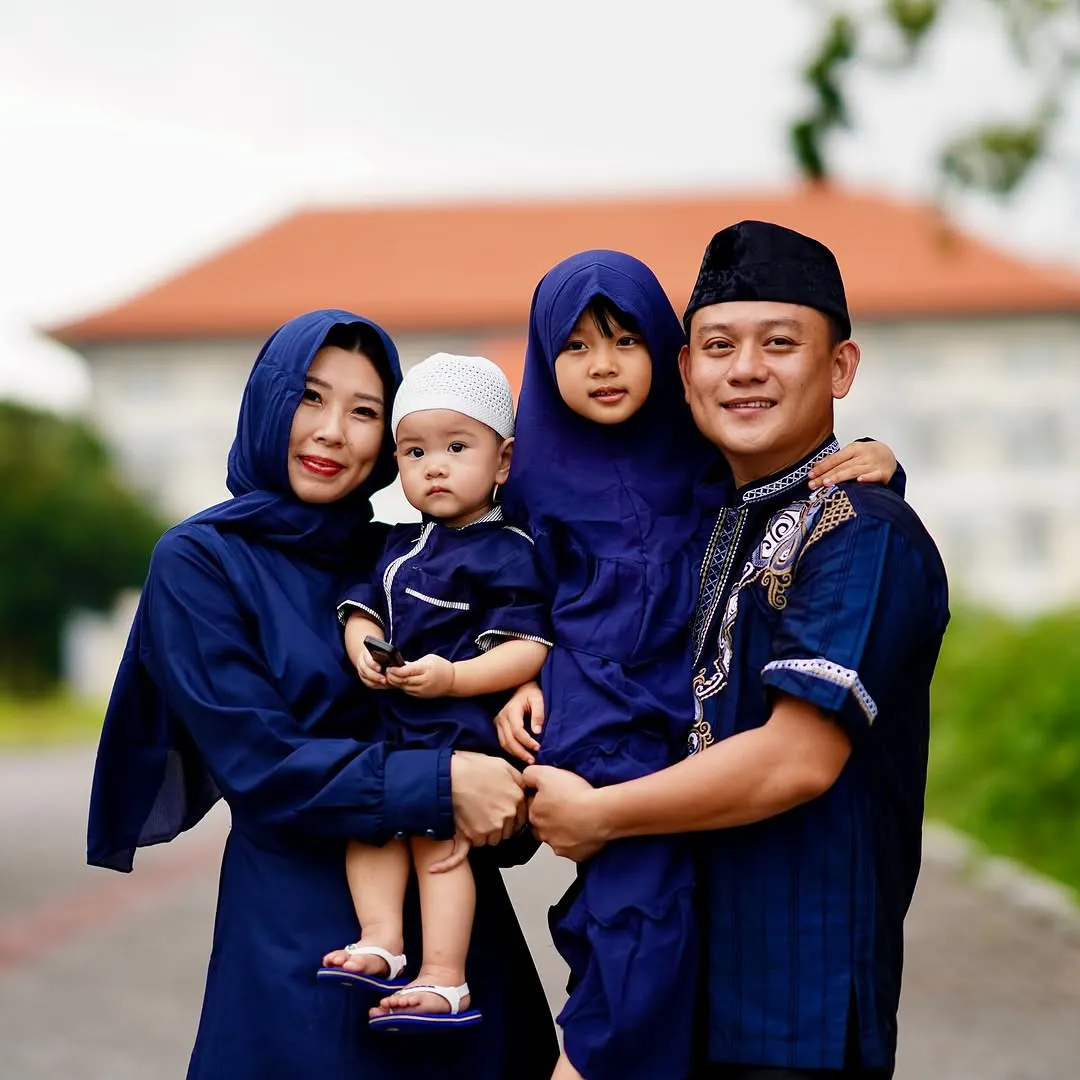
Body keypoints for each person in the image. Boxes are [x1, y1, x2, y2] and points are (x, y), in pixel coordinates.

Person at [523, 222, 950, 1080]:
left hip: (797, 1012)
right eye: (718, 345)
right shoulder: (710, 521)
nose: (745, 368)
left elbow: (796, 760)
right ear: (686, 372)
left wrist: (600, 815)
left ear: (840, 369)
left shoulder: (861, 531)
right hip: (684, 1002)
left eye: (780, 343)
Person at [86, 312, 559, 1080]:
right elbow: (260, 761)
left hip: (460, 963)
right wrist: (440, 782)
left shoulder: (407, 552)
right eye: (310, 398)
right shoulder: (201, 562)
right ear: (269, 402)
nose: (334, 432)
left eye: (366, 411)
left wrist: (522, 688)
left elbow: (516, 656)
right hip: (302, 945)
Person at [318, 352, 552, 1030]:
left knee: (435, 846)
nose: (435, 466)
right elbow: (360, 602)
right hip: (392, 730)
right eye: (415, 451)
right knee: (371, 825)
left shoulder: (506, 550)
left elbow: (529, 647)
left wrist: (454, 678)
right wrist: (361, 640)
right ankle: (381, 939)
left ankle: (446, 977)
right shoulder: (394, 543)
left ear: (503, 461)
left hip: (457, 734)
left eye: (457, 446)